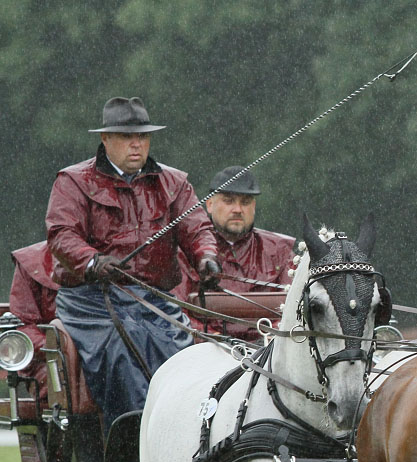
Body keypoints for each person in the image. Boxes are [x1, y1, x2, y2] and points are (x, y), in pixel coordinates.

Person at [45, 96, 221, 442]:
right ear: (106, 140)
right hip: (90, 301)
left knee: (182, 357)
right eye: (126, 137)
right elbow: (61, 234)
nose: (137, 144)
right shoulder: (73, 182)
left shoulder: (174, 183)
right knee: (120, 356)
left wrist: (206, 257)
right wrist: (93, 261)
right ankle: (130, 449)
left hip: (153, 298)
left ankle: (186, 443)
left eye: (143, 136)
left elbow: (197, 228)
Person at [174, 165, 295, 340]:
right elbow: (175, 310)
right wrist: (211, 337)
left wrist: (270, 337)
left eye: (245, 202)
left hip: (267, 354)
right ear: (210, 205)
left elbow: (294, 309)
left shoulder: (280, 251)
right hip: (202, 352)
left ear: (253, 206)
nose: (238, 209)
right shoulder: (186, 251)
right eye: (229, 201)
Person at [7, 241, 59, 400]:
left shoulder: (121, 258)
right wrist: (56, 346)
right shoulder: (32, 261)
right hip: (51, 360)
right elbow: (24, 325)